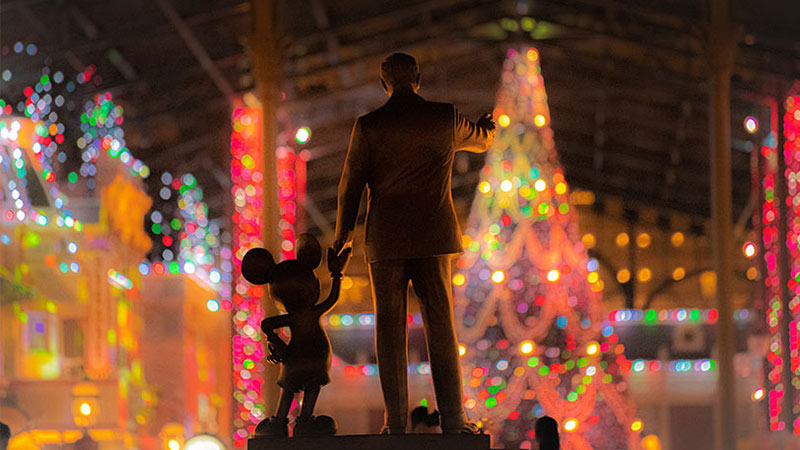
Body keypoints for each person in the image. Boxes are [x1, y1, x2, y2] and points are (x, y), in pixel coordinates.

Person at [333, 52, 495, 434]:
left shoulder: (369, 126)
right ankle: (454, 421)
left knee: (389, 331)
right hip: (434, 236)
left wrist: (342, 237)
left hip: (386, 239)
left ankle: (394, 423)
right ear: (418, 77)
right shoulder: (444, 117)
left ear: (383, 83)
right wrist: (487, 128)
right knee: (441, 328)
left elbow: (349, 186)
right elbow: (482, 140)